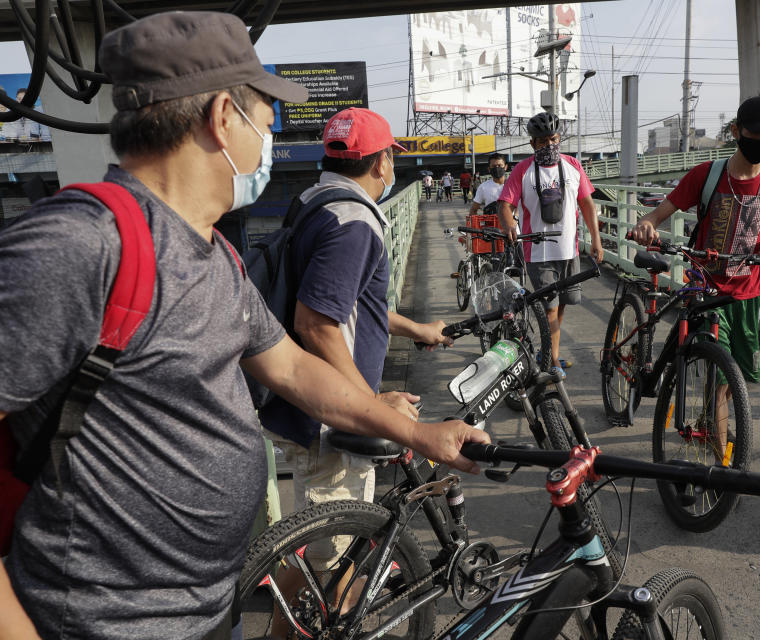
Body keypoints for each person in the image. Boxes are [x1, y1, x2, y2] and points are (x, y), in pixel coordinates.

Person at [0, 12, 487, 640]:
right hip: (100, 621)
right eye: (267, 118)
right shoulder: (81, 246)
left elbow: (289, 366)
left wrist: (417, 433)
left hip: (200, 610)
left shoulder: (212, 252)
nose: (272, 140)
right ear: (224, 117)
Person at [260, 107, 454, 514]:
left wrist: (415, 330)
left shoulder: (314, 200)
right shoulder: (354, 224)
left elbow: (340, 304)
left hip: (310, 406)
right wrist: (371, 404)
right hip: (332, 422)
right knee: (329, 557)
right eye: (392, 157)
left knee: (324, 551)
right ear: (382, 161)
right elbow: (315, 325)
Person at [629, 95, 760, 386]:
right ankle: (715, 432)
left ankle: (714, 424)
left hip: (749, 293)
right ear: (736, 131)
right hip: (708, 290)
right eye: (756, 132)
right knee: (719, 378)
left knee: (738, 377)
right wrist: (646, 225)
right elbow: (657, 215)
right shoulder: (707, 175)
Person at [498, 112, 603, 375]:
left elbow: (587, 203)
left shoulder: (573, 166)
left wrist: (596, 240)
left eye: (553, 139)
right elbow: (504, 204)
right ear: (532, 143)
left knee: (562, 304)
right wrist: (509, 224)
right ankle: (552, 362)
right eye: (542, 141)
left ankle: (549, 351)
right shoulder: (522, 170)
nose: (549, 145)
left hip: (569, 249)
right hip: (538, 251)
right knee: (550, 309)